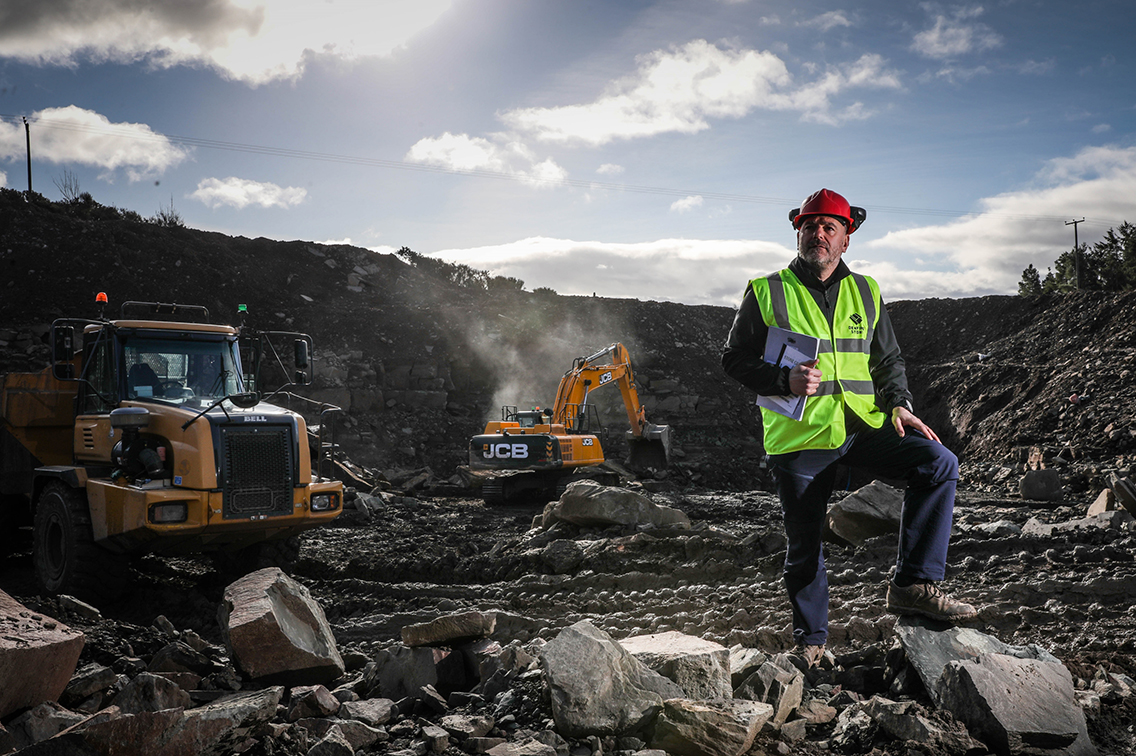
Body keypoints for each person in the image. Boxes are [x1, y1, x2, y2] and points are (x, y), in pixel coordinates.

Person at [721, 188, 976, 666]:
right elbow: (732, 358)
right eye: (809, 225)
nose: (818, 233)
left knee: (939, 462)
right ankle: (812, 642)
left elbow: (887, 360)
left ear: (845, 239)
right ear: (797, 231)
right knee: (805, 543)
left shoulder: (866, 290)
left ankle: (913, 585)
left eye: (828, 227)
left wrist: (899, 403)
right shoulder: (766, 290)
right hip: (802, 437)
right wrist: (782, 379)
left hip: (863, 425)